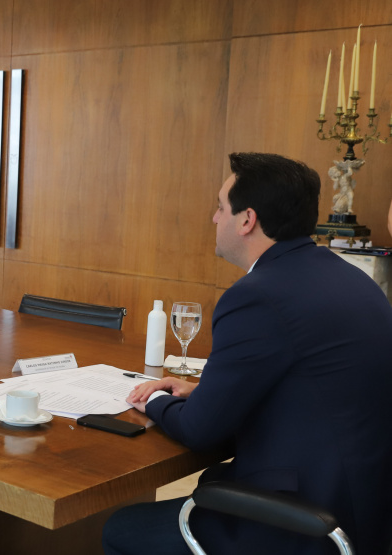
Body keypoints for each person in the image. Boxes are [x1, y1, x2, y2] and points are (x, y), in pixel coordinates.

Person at [103, 153, 392, 555]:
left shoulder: (258, 297)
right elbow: (308, 386)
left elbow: (201, 431)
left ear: (247, 220)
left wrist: (153, 399)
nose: (214, 218)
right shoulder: (349, 278)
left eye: (221, 208)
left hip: (302, 527)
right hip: (365, 512)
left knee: (122, 528)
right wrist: (197, 392)